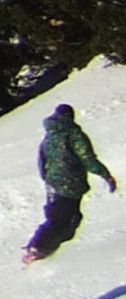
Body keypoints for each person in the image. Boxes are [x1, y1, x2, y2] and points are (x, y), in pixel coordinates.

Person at [22, 102, 116, 263]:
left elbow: (41, 161)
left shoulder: (48, 137)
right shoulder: (74, 134)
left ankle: (38, 247)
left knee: (59, 217)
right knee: (67, 221)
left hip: (53, 184)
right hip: (70, 184)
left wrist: (49, 180)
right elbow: (87, 158)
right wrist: (106, 175)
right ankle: (39, 248)